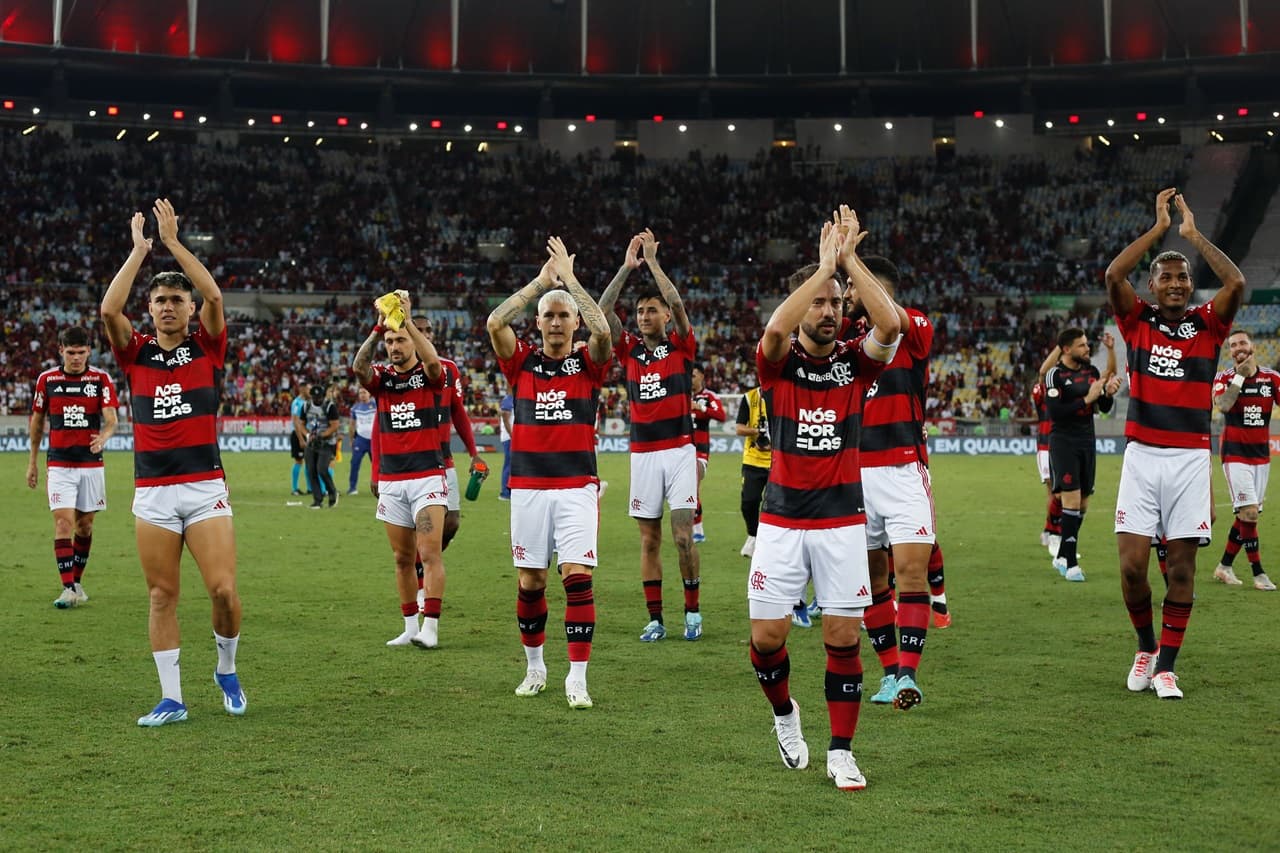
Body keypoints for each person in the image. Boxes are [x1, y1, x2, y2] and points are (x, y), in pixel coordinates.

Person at [748, 210, 900, 791]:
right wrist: (820, 270)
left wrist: (847, 263)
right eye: (820, 301)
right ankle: (786, 716)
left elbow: (892, 327)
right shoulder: (779, 365)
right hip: (783, 522)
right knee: (766, 641)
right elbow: (772, 332)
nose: (830, 310)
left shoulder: (857, 364)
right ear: (802, 303)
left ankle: (841, 751)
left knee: (842, 638)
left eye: (838, 302)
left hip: (840, 523)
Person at [101, 200, 246, 726]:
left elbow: (213, 293)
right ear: (152, 309)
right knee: (162, 594)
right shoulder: (134, 351)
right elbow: (108, 312)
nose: (166, 307)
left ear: (188, 311)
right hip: (154, 491)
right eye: (159, 300)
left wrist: (174, 242)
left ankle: (226, 669)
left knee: (224, 591)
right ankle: (172, 698)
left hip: (205, 486)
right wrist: (140, 251)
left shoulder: (208, 347)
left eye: (175, 300)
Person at [1105, 188, 1244, 700]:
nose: (1177, 284)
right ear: (1152, 284)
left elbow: (1236, 281)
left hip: (1188, 460)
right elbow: (1112, 276)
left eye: (1183, 277)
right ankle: (1145, 646)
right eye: (1166, 276)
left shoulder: (1208, 325)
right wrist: (1158, 231)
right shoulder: (1135, 319)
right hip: (1142, 458)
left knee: (1182, 569)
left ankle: (1166, 664)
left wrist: (1192, 235)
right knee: (1131, 568)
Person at [487, 237, 612, 709]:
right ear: (538, 323)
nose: (557, 321)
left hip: (577, 485)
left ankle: (577, 677)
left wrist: (571, 283)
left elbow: (603, 333)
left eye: (564, 315)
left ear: (574, 321)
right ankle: (535, 668)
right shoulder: (521, 363)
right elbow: (495, 321)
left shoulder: (588, 363)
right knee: (531, 581)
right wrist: (542, 282)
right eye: (549, 315)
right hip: (529, 487)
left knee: (577, 577)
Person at [839, 252, 942, 710]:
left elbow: (893, 322)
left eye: (853, 288)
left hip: (903, 469)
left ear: (876, 288)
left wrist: (849, 259)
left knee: (911, 573)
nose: (846, 295)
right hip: (854, 472)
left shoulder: (913, 325)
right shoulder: (846, 336)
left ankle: (907, 675)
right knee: (872, 580)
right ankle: (887, 673)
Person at [598, 230, 702, 642]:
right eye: (640, 311)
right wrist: (627, 267)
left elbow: (677, 303)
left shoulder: (681, 344)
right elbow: (601, 313)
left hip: (678, 451)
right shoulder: (628, 350)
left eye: (651, 310)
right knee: (649, 541)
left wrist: (655, 265)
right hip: (642, 454)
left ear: (664, 317)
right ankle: (656, 618)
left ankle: (692, 613)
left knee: (681, 536)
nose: (644, 316)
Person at [352, 294, 448, 650]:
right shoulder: (382, 380)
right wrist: (380, 327)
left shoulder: (429, 376)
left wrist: (406, 320)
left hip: (426, 478)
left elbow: (434, 361)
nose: (393, 346)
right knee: (401, 558)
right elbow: (358, 367)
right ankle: (410, 626)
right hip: (393, 481)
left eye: (399, 340)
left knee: (429, 553)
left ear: (412, 340)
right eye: (390, 342)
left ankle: (432, 628)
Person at [26, 326, 119, 609]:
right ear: (61, 351)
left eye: (81, 352)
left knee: (85, 526)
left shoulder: (101, 379)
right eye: (71, 352)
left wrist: (104, 435)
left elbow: (111, 417)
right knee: (63, 523)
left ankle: (77, 582)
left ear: (89, 351)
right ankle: (67, 588)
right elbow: (38, 421)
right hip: (59, 465)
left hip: (91, 465)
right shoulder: (48, 380)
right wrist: (33, 461)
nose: (76, 358)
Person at [1044, 328, 1122, 582]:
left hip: (1087, 441)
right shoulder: (1054, 375)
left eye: (1087, 345)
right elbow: (1056, 412)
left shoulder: (1092, 372)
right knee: (1072, 502)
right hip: (1063, 442)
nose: (1087, 349)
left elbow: (1103, 409)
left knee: (1084, 504)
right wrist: (1086, 399)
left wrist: (1107, 395)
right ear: (1067, 349)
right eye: (1082, 346)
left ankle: (1062, 554)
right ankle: (1072, 563)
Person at [1212, 330, 1278, 591]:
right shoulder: (1224, 377)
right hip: (1235, 453)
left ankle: (1224, 566)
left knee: (1245, 517)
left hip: (1261, 456)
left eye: (1242, 343)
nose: (1237, 347)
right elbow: (1224, 405)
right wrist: (1240, 376)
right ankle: (1258, 573)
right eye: (1233, 345)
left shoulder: (1272, 378)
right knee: (1249, 513)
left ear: (1252, 346)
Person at [418, 315, 483, 550]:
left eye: (428, 330)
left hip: (444, 460)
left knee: (452, 522)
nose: (425, 334)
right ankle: (423, 568)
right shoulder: (400, 371)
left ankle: (426, 562)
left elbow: (458, 412)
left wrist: (473, 453)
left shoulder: (449, 369)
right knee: (421, 526)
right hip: (414, 462)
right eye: (419, 330)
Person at [690, 364, 726, 543]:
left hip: (700, 453)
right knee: (689, 491)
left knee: (692, 480)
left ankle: (697, 530)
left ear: (702, 376)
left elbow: (721, 415)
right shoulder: (680, 394)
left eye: (694, 375)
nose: (691, 378)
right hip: (680, 451)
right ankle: (698, 531)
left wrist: (700, 408)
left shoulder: (709, 396)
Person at [735, 384, 771, 560]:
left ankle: (772, 543)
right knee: (749, 502)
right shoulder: (749, 398)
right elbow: (739, 428)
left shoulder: (784, 394)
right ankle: (753, 535)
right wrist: (758, 431)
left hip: (778, 460)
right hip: (753, 460)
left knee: (777, 504)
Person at [1032, 349, 1062, 556]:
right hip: (1046, 447)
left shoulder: (1063, 390)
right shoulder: (1042, 392)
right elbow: (1043, 373)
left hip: (1062, 445)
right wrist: (1060, 347)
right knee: (1054, 492)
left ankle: (1050, 531)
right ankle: (1051, 531)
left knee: (1059, 492)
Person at [303, 383, 340, 508]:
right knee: (311, 470)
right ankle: (317, 499)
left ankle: (332, 492)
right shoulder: (306, 406)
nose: (317, 400)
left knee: (322, 469)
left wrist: (322, 435)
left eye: (319, 397)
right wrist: (307, 435)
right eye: (314, 397)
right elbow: (300, 423)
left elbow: (334, 425)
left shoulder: (329, 406)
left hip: (327, 442)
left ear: (323, 396)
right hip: (312, 442)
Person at [347, 386, 376, 494]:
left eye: (364, 392)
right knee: (354, 463)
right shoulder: (355, 408)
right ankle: (352, 487)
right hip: (361, 439)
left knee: (377, 465)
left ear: (369, 394)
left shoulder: (375, 405)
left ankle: (380, 486)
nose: (362, 395)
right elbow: (352, 425)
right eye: (360, 393)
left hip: (374, 440)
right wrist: (351, 439)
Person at [289, 385, 308, 495]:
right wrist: (300, 438)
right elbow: (295, 421)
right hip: (298, 435)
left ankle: (310, 488)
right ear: (302, 389)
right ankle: (294, 489)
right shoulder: (297, 403)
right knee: (299, 461)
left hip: (305, 433)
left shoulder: (306, 402)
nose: (309, 391)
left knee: (308, 462)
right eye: (307, 389)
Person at [498, 391, 514, 500]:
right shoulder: (510, 398)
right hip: (509, 437)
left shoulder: (511, 398)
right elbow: (504, 415)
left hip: (511, 436)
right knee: (509, 464)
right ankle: (505, 492)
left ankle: (509, 490)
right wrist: (512, 434)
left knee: (512, 465)